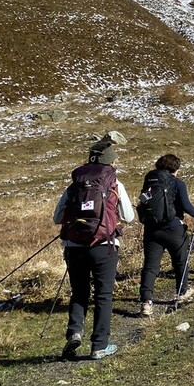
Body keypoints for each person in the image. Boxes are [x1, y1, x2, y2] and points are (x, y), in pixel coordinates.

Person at [53, 137, 135, 360]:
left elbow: (57, 217)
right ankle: (99, 345)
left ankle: (74, 332)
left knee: (79, 292)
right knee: (103, 295)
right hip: (104, 245)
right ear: (111, 162)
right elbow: (128, 216)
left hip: (73, 246)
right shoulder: (115, 184)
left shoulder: (75, 185)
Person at [137, 154, 194, 316]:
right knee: (181, 260)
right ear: (176, 168)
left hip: (152, 228)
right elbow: (186, 205)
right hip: (174, 227)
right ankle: (181, 292)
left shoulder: (150, 181)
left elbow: (143, 201)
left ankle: (146, 302)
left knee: (151, 266)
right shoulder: (178, 183)